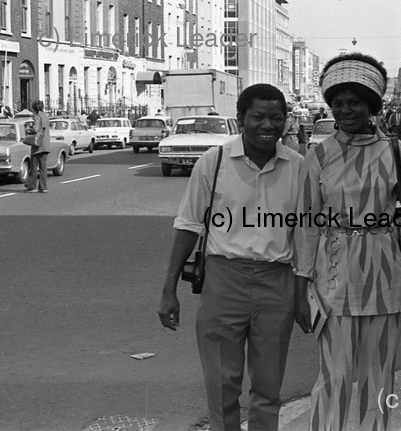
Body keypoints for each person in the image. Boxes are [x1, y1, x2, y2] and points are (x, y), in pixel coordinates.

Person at [293, 53, 401, 431]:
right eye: (339, 103)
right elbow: (306, 224)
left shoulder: (394, 151)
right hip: (332, 280)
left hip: (386, 276)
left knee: (379, 379)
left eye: (355, 102)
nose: (346, 110)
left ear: (372, 105)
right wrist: (300, 286)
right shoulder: (318, 156)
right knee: (334, 377)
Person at [157, 84, 304, 431]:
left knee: (268, 387)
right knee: (222, 384)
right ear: (240, 120)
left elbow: (307, 235)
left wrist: (303, 293)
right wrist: (168, 290)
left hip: (277, 282)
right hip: (224, 282)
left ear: (286, 121)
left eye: (276, 117)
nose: (267, 125)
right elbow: (188, 225)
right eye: (258, 117)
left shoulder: (299, 167)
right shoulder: (214, 162)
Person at [24, 100, 51, 193]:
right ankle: (43, 187)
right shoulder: (46, 116)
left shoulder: (36, 116)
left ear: (34, 109)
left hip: (38, 145)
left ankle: (32, 186)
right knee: (43, 168)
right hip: (46, 144)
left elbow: (35, 129)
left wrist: (28, 129)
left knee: (34, 166)